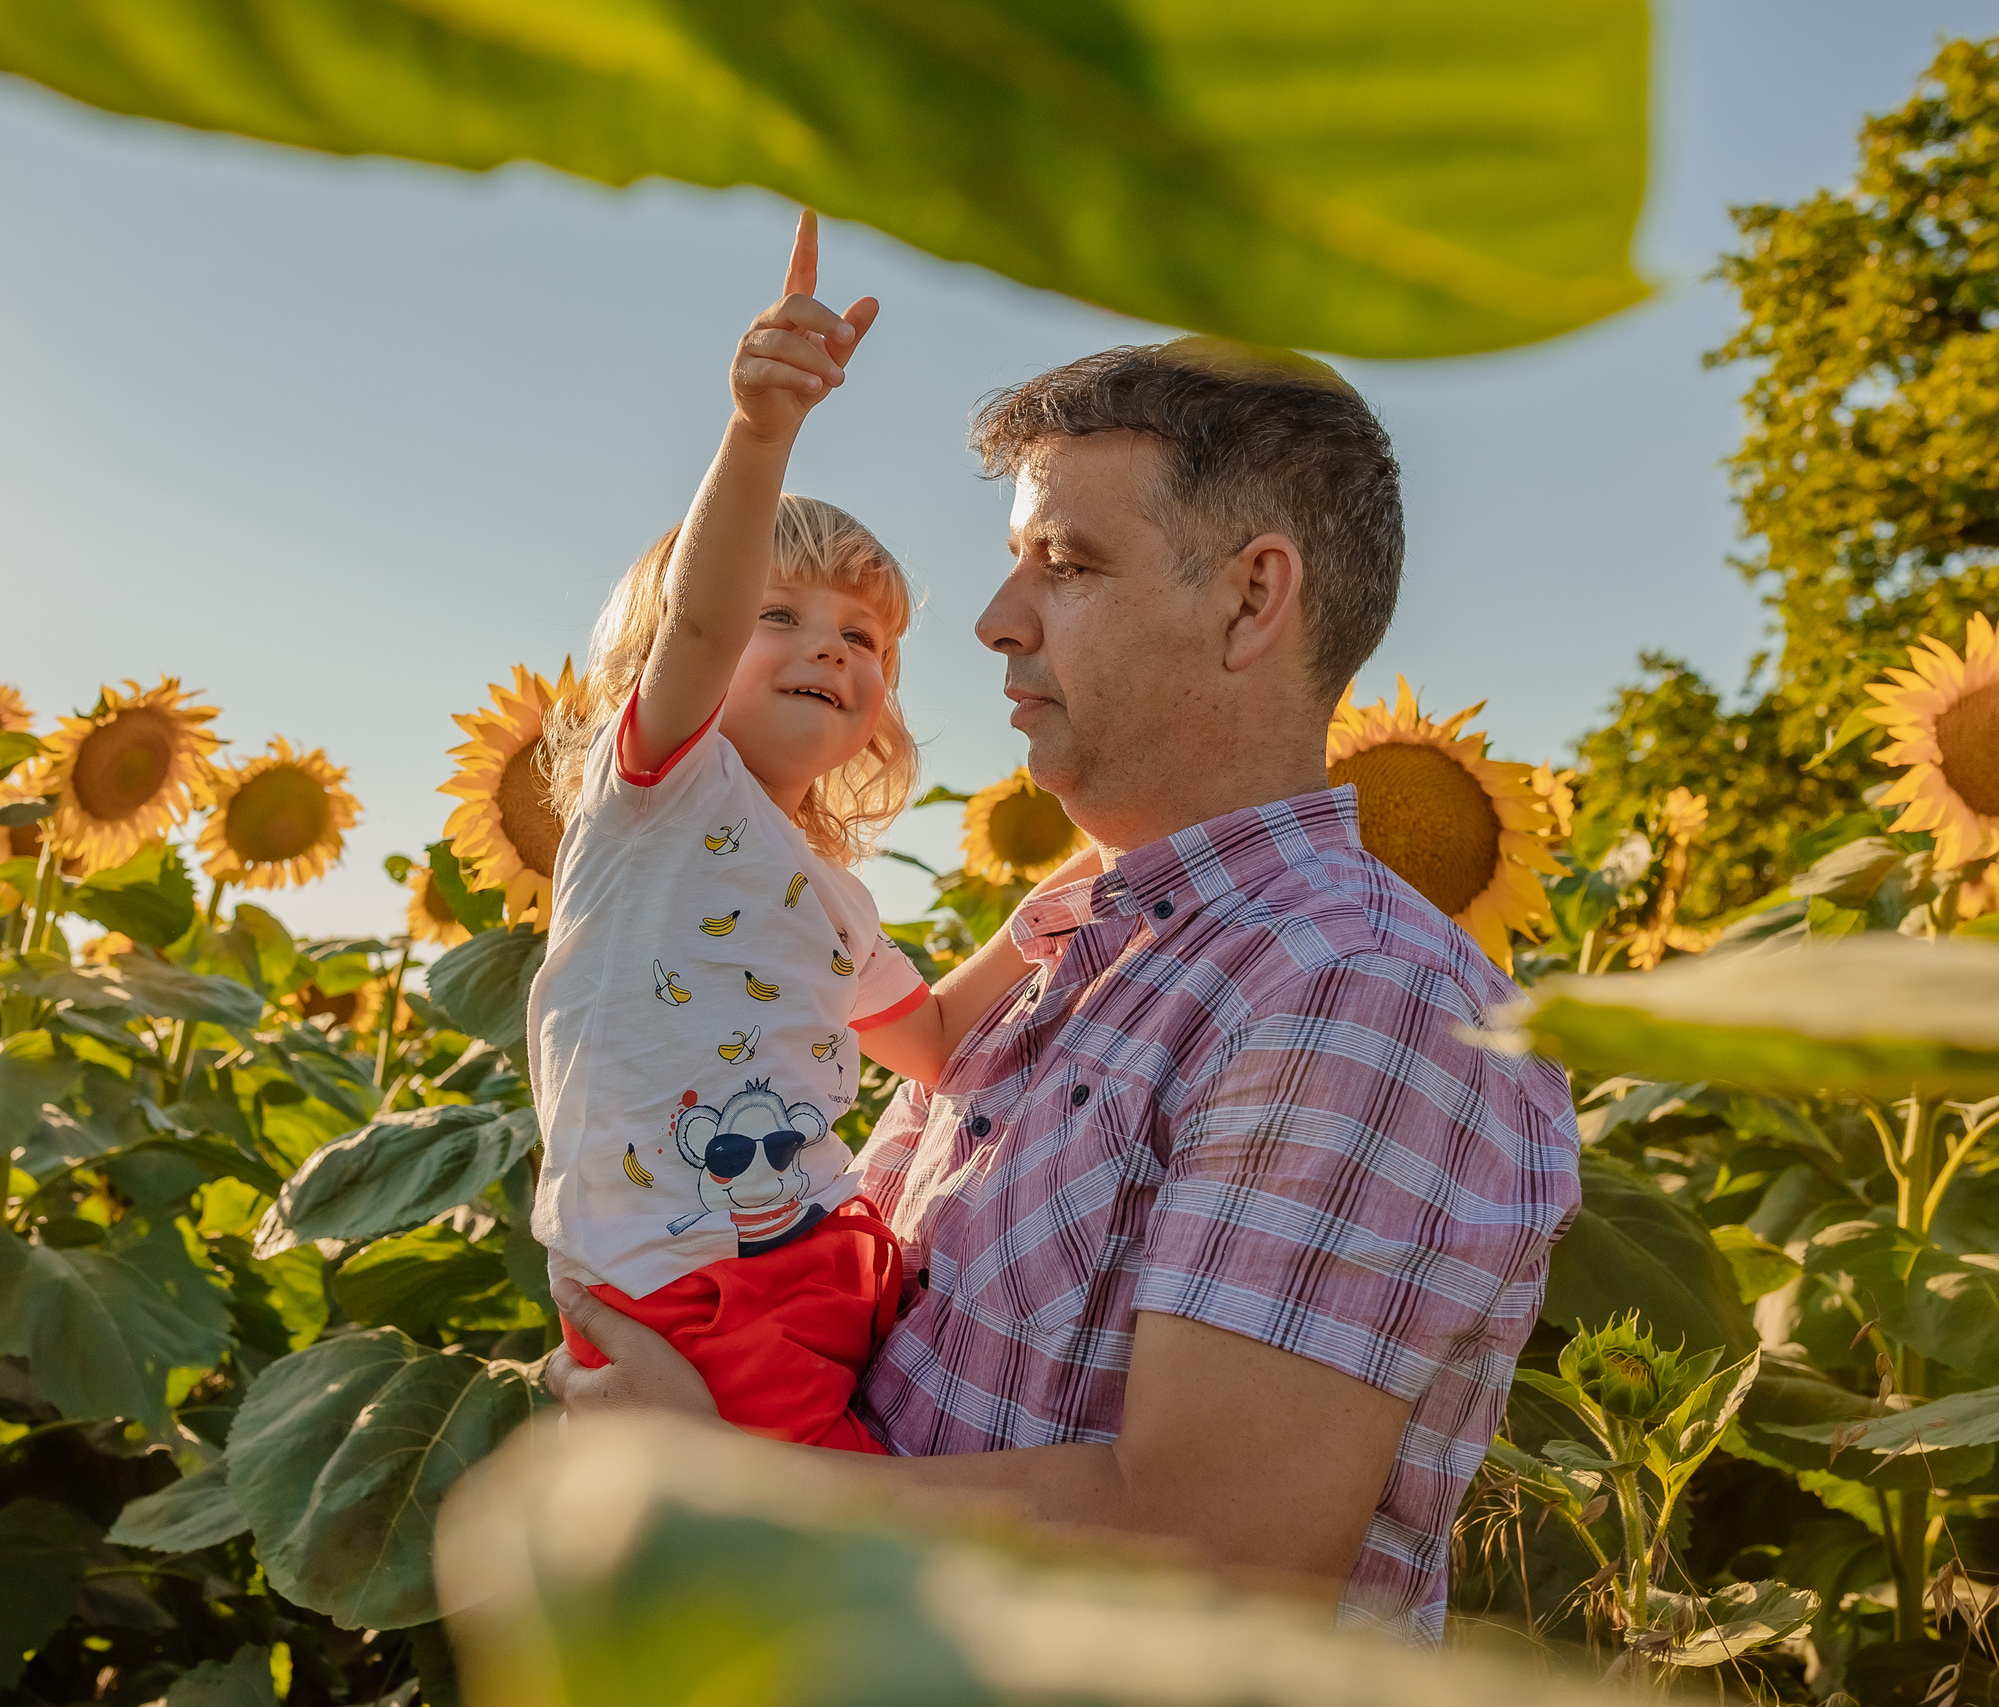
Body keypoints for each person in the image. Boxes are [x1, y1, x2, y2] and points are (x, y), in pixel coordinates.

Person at [548, 334, 1583, 1640]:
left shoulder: (1354, 998)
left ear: (1253, 600)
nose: (991, 621)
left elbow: (1225, 1549)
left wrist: (715, 1492)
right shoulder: (1086, 953)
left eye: (1068, 564)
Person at [527, 212, 1097, 1453]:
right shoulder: (661, 793)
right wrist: (759, 430)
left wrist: (1051, 913)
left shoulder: (828, 898)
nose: (832, 645)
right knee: (807, 1550)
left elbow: (936, 1044)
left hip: (817, 1256)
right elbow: (698, 620)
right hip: (683, 1289)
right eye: (781, 613)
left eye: (868, 636)